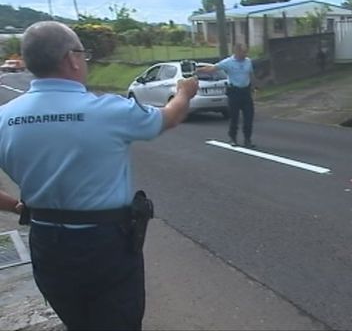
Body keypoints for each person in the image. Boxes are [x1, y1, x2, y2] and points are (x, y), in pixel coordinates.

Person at [0, 21, 198, 330]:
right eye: (83, 52)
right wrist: (184, 92)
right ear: (71, 58)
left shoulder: (4, 117)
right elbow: (169, 117)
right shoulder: (109, 110)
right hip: (105, 244)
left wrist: (16, 206)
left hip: (45, 242)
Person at [198, 42, 256, 148]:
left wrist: (254, 87)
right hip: (234, 92)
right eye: (243, 52)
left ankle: (247, 139)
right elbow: (213, 69)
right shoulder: (228, 62)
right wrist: (199, 70)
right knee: (234, 117)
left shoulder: (248, 61)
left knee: (249, 117)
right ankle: (233, 138)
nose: (245, 54)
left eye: (246, 52)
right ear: (236, 51)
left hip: (246, 92)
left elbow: (251, 74)